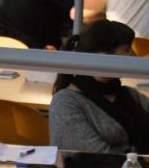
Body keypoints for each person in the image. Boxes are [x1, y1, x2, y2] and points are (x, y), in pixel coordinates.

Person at [50, 20, 149, 153]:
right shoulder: (66, 102)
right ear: (103, 56)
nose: (133, 54)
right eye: (127, 49)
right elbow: (96, 158)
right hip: (114, 167)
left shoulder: (131, 95)